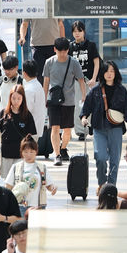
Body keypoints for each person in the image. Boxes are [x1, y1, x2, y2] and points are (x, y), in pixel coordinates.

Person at [80, 60, 127, 190]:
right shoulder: (95, 90)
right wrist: (84, 118)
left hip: (116, 129)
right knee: (100, 157)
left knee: (115, 159)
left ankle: (111, 186)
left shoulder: (121, 90)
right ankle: (102, 184)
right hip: (99, 129)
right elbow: (87, 107)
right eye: (107, 71)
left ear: (116, 73)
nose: (109, 74)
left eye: (112, 71)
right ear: (102, 73)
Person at [43, 37, 87, 166]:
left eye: (65, 51)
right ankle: (57, 155)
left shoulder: (73, 63)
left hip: (68, 100)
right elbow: (46, 81)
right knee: (55, 128)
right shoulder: (49, 62)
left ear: (68, 50)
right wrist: (44, 97)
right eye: (60, 51)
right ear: (55, 49)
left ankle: (63, 148)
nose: (62, 54)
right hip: (53, 101)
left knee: (67, 129)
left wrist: (84, 95)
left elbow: (81, 79)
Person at [0, 86, 37, 177]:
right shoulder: (3, 113)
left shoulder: (27, 115)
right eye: (13, 98)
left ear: (23, 99)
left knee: (18, 180)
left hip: (20, 155)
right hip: (5, 153)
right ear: (10, 98)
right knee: (5, 180)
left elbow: (32, 135)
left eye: (19, 98)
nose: (16, 101)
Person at [18, 0, 65, 80]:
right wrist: (22, 37)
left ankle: (53, 94)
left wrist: (63, 41)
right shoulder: (31, 4)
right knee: (39, 74)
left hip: (54, 44)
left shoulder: (56, 3)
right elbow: (24, 24)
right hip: (37, 44)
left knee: (55, 73)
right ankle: (41, 93)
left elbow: (60, 24)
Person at [5, 135, 56, 215]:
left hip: (38, 207)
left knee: (37, 227)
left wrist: (53, 188)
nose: (28, 155)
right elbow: (8, 187)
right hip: (20, 206)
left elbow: (49, 185)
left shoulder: (42, 168)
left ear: (36, 152)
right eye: (25, 152)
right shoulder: (16, 167)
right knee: (22, 227)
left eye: (31, 152)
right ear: (21, 152)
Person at [69, 21, 101, 140]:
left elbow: (96, 62)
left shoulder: (91, 45)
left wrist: (94, 78)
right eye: (75, 31)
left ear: (84, 32)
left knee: (93, 104)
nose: (77, 34)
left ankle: (91, 126)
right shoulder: (71, 47)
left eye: (79, 31)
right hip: (77, 82)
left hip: (90, 81)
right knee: (78, 106)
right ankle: (81, 131)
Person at [21, 59, 46, 137]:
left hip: (30, 129)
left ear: (24, 73)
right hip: (37, 127)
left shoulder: (29, 89)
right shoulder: (38, 85)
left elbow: (27, 110)